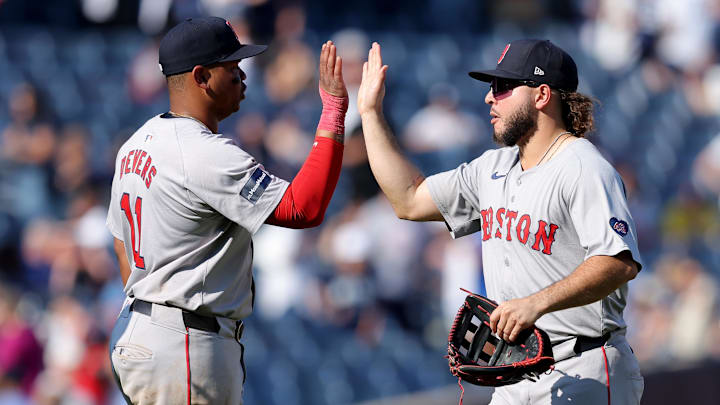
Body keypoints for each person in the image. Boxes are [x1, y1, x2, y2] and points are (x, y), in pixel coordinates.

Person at [358, 40, 644, 404]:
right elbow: (409, 200)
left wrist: (535, 304)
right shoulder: (493, 168)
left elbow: (618, 263)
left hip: (583, 366)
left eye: (503, 87)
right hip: (514, 374)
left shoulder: (585, 169)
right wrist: (369, 113)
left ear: (542, 95)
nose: (490, 98)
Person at [106, 16, 348, 404]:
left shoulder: (136, 142)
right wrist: (334, 112)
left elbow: (121, 245)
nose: (243, 76)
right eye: (232, 68)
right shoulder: (206, 153)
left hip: (139, 332)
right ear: (202, 77)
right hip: (185, 342)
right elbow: (303, 209)